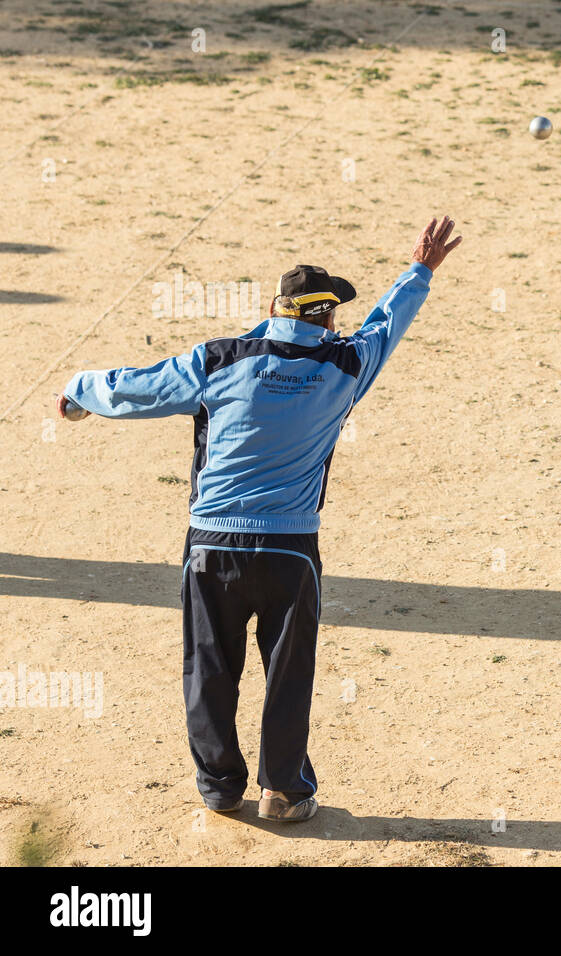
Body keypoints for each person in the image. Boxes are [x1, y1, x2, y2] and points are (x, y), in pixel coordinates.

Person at [57, 215, 462, 821]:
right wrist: (420, 272)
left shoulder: (218, 360)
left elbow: (137, 388)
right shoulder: (345, 367)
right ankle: (285, 791)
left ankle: (220, 788)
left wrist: (78, 391)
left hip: (211, 547)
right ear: (324, 318)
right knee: (288, 673)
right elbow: (386, 326)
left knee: (210, 667)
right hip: (291, 551)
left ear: (277, 310)